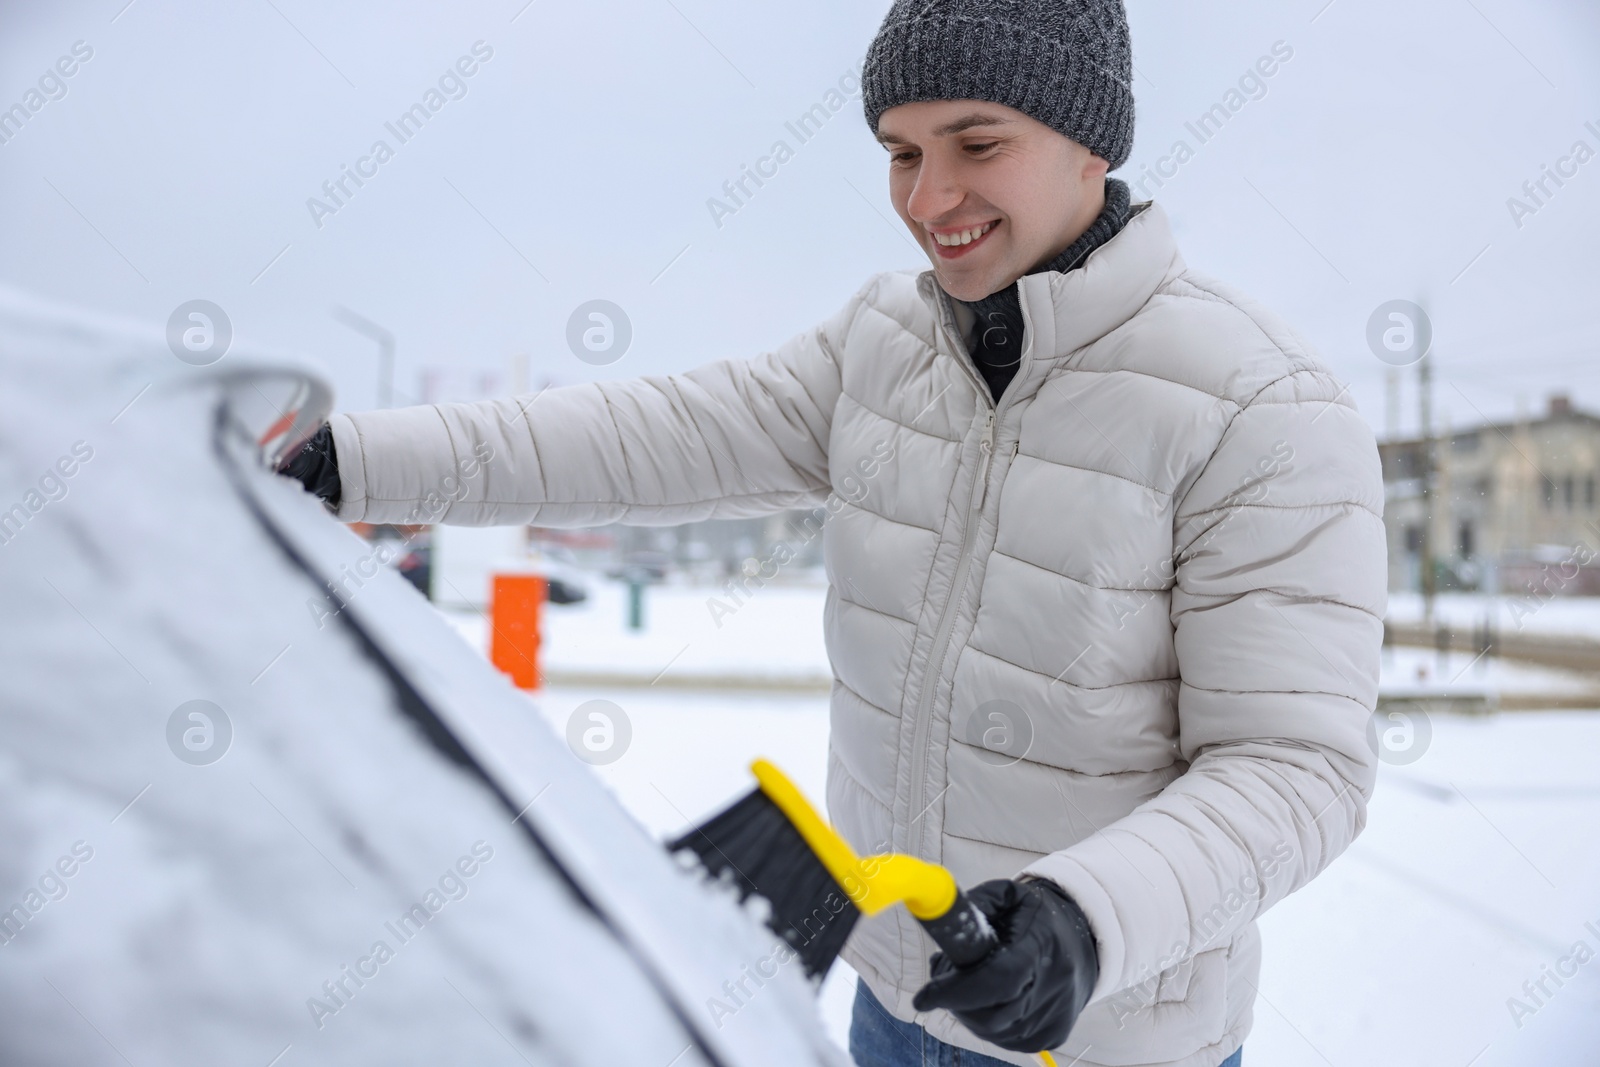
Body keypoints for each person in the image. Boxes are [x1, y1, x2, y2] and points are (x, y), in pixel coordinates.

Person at [280, 1, 1385, 1063]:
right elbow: (647, 435)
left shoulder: (1257, 407)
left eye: (975, 142)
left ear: (1090, 142)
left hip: (1101, 1035)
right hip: (891, 1002)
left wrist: (1085, 919)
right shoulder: (884, 345)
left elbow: (1295, 763)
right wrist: (358, 460)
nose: (928, 194)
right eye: (900, 152)